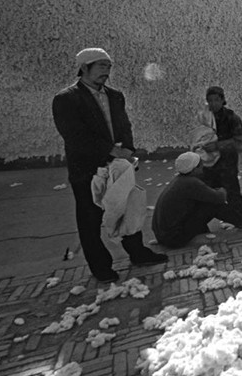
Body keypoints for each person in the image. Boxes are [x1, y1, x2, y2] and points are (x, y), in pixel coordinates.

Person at [52, 48, 167, 282]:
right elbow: (74, 135)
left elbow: (125, 125)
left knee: (128, 210)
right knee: (90, 219)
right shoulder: (67, 98)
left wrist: (128, 151)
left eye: (109, 67)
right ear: (84, 68)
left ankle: (138, 253)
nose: (106, 71)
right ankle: (101, 267)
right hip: (87, 169)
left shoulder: (114, 96)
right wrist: (110, 150)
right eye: (101, 66)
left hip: (117, 165)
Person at [152, 152, 242, 248]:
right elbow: (219, 198)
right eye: (200, 165)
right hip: (173, 238)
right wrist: (222, 188)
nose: (203, 167)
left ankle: (202, 230)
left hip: (163, 235)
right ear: (194, 169)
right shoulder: (190, 183)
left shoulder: (180, 180)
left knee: (204, 203)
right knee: (213, 205)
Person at [199, 86, 242, 221]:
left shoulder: (231, 118)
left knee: (232, 191)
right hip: (209, 163)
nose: (213, 104)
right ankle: (201, 223)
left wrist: (218, 146)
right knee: (207, 193)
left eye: (216, 100)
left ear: (222, 100)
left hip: (227, 162)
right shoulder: (205, 118)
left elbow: (239, 140)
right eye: (210, 101)